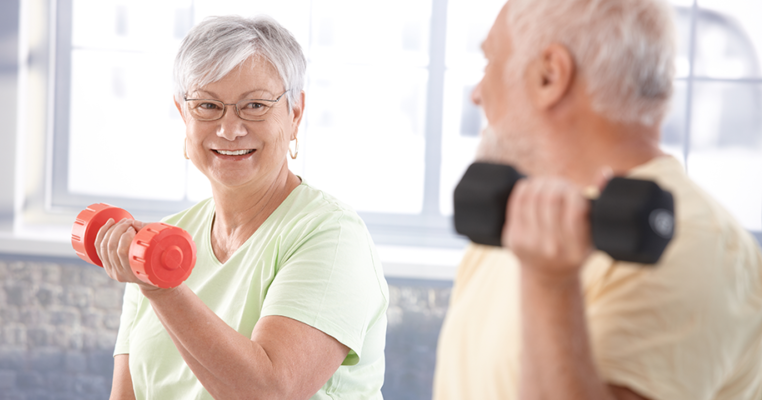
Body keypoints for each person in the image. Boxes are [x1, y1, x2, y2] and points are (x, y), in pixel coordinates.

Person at [433, 0, 762, 399]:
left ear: (549, 76)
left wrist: (550, 285)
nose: (477, 94)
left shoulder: (692, 244)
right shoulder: (523, 220)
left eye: (490, 63)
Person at [95, 15, 389, 400]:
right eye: (207, 105)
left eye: (254, 105)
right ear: (184, 115)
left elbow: (269, 391)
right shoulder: (161, 240)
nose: (229, 129)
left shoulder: (332, 236)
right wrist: (154, 282)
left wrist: (163, 289)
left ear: (295, 113)